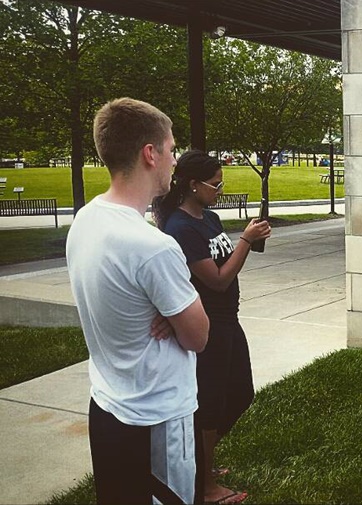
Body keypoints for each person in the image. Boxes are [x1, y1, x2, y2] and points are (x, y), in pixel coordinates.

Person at [66, 97, 209, 504]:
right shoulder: (154, 247)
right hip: (157, 418)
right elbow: (198, 336)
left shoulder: (86, 219)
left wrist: (167, 305)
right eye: (172, 148)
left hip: (107, 405)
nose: (175, 159)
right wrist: (174, 305)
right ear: (151, 153)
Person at [152, 150, 271, 505]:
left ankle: (200, 461)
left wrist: (247, 240)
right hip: (209, 324)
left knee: (240, 394)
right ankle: (204, 487)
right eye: (215, 184)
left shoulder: (209, 217)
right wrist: (246, 241)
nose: (220, 189)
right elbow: (217, 280)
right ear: (192, 185)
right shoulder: (180, 227)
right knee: (209, 407)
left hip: (228, 319)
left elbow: (222, 260)